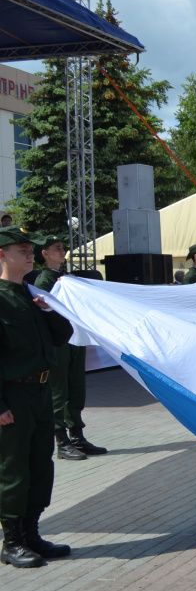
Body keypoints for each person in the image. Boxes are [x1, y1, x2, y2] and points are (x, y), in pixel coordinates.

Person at [0, 226, 76, 568]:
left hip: (41, 392)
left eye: (30, 249)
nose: (30, 253)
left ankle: (32, 534)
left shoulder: (30, 294)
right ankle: (12, 541)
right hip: (13, 396)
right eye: (21, 249)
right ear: (2, 255)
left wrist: (47, 310)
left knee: (39, 466)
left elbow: (64, 335)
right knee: (13, 469)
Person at [33, 235, 104, 462]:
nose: (62, 252)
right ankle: (62, 442)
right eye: (57, 248)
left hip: (74, 340)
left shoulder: (67, 278)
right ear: (44, 253)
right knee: (59, 393)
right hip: (59, 345)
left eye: (63, 248)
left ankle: (77, 436)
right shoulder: (43, 280)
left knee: (76, 390)